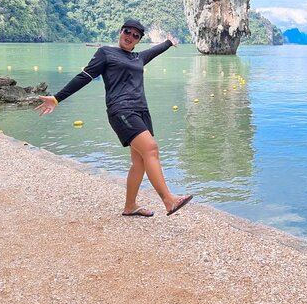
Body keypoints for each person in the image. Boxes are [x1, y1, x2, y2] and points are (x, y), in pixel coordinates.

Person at [35, 19, 193, 218]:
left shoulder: (138, 57)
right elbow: (84, 76)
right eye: (127, 32)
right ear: (121, 31)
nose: (130, 37)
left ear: (138, 40)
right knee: (151, 149)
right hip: (121, 111)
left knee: (140, 162)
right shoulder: (105, 53)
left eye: (136, 35)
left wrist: (168, 43)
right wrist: (57, 98)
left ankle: (130, 206)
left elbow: (155, 51)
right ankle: (169, 200)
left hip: (142, 112)